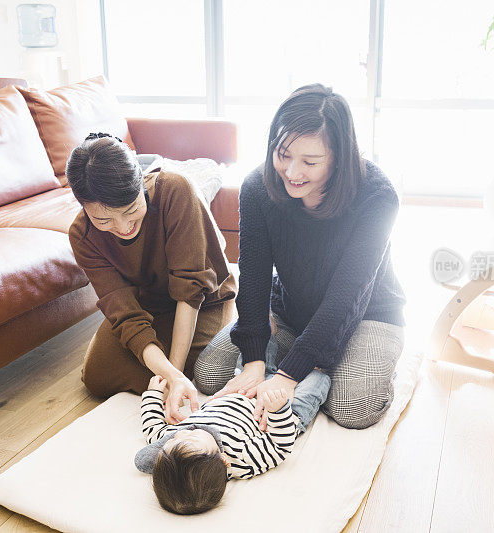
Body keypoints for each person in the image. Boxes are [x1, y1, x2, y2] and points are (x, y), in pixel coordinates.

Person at [194, 84, 406, 430]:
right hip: (294, 312)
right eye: (283, 155)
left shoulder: (377, 196)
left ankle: (345, 362)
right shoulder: (258, 188)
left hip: (367, 313)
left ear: (339, 156)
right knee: (209, 374)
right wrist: (253, 362)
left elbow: (347, 296)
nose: (292, 173)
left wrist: (289, 375)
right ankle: (319, 362)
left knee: (353, 409)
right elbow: (254, 277)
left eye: (310, 161)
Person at [67, 133, 236, 423]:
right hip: (147, 305)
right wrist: (171, 376)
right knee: (96, 376)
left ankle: (221, 335)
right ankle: (172, 363)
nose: (122, 227)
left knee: (205, 372)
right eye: (104, 220)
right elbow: (125, 313)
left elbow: (189, 291)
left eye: (131, 210)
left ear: (141, 184)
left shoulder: (175, 191)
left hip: (201, 301)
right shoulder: (82, 235)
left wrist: (175, 375)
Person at [135, 336, 331, 515]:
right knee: (315, 384)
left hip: (241, 389)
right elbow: (279, 446)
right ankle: (318, 368)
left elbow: (152, 428)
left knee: (251, 353)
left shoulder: (173, 445)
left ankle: (269, 333)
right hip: (277, 408)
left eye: (172, 440)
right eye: (192, 438)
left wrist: (153, 395)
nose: (182, 432)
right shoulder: (242, 459)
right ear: (223, 460)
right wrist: (278, 411)